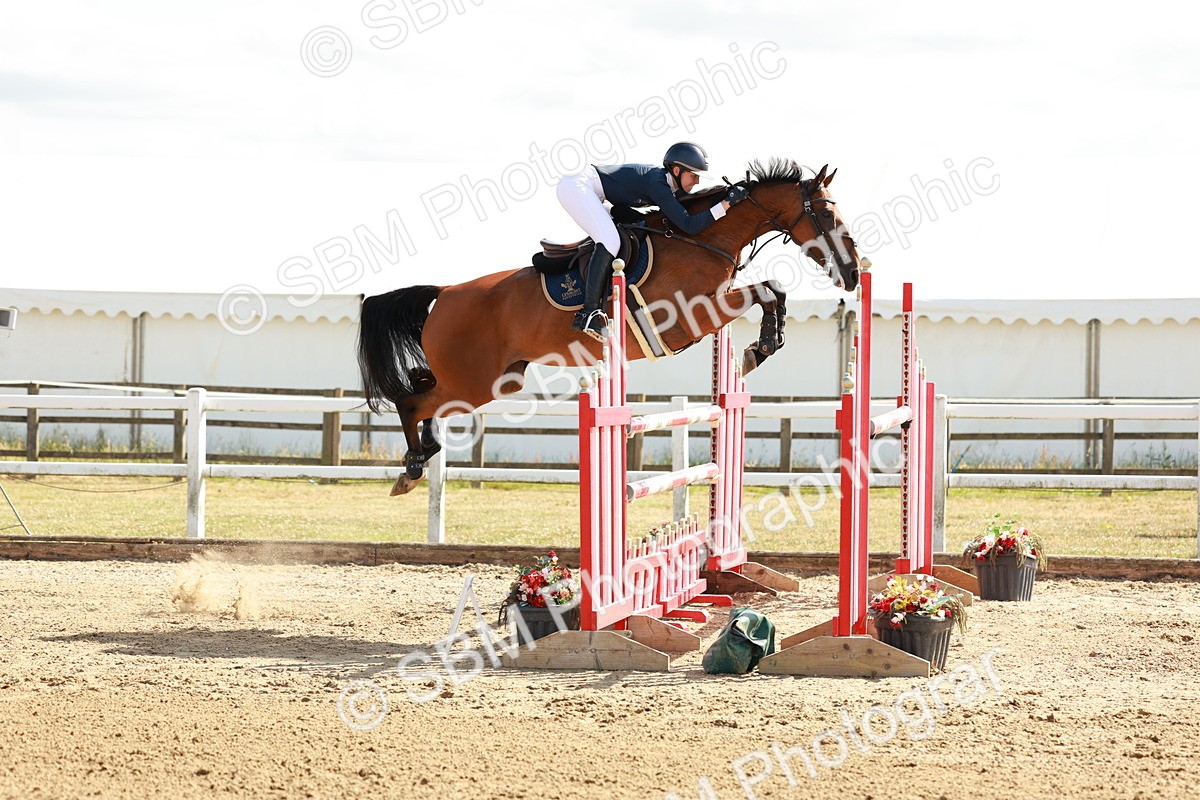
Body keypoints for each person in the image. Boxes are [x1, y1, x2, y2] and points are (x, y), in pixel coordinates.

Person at [555, 142, 748, 340]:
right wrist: (726, 204)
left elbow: (695, 206)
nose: (697, 181)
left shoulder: (670, 185)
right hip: (579, 187)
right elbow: (689, 225)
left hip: (597, 194)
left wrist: (728, 197)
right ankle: (589, 313)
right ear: (676, 170)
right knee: (610, 241)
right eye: (694, 175)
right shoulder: (658, 183)